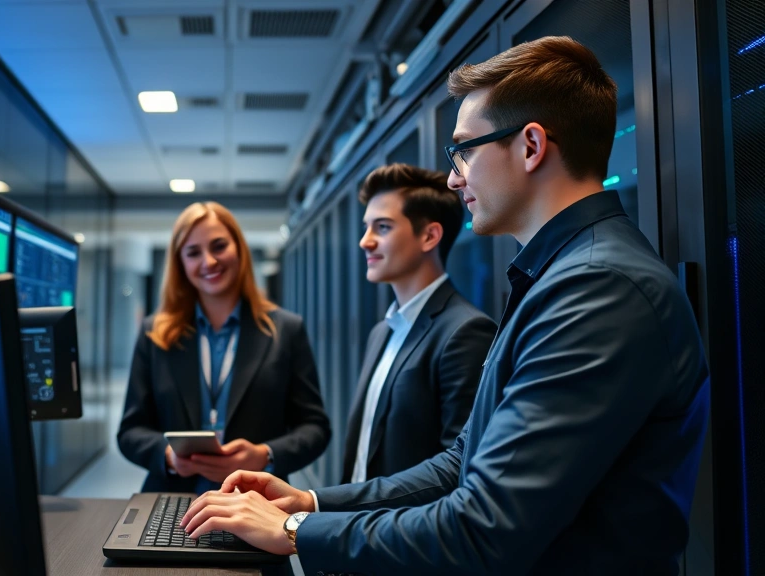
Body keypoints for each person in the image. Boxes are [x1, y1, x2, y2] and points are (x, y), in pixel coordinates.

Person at [179, 36, 709, 575]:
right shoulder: (559, 275)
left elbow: (485, 526)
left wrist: (294, 532)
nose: (455, 177)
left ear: (530, 147)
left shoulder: (597, 287)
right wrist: (312, 504)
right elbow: (464, 461)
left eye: (464, 151)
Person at [118, 201, 331, 495]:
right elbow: (130, 432)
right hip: (172, 499)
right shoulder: (155, 335)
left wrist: (264, 454)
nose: (208, 261)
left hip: (258, 501)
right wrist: (169, 457)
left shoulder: (286, 330)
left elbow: (315, 428)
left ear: (239, 250)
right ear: (180, 263)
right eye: (193, 253)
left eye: (219, 246)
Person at [344, 164, 495, 484]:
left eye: (382, 227)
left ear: (429, 235)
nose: (365, 242)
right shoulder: (381, 331)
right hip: (357, 526)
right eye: (366, 227)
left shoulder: (465, 332)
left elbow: (458, 471)